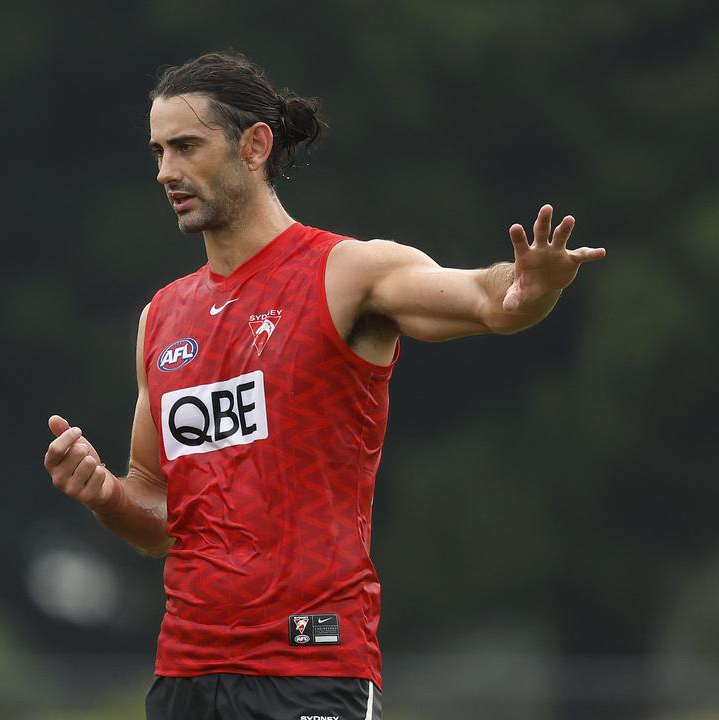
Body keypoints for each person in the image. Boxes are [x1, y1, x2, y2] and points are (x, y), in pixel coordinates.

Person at [43, 51, 605, 720]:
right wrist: (105, 495)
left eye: (188, 146)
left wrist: (530, 287)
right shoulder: (161, 317)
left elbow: (489, 299)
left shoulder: (347, 273)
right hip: (186, 675)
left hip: (310, 665)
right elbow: (158, 514)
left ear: (254, 146)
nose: (167, 171)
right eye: (159, 150)